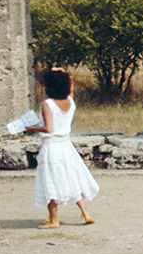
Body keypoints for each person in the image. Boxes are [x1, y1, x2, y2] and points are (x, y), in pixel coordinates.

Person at [21, 67, 98, 228]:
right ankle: (85, 213)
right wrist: (66, 74)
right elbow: (71, 88)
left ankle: (54, 219)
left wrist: (31, 128)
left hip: (52, 146)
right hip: (66, 145)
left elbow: (49, 128)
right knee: (72, 178)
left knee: (50, 181)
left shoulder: (47, 104)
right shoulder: (70, 101)